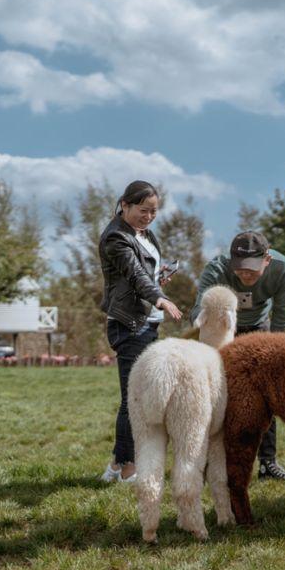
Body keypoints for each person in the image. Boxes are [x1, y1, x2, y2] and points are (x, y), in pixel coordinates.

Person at [192, 230, 285, 481]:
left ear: (267, 260)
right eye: (240, 268)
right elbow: (198, 307)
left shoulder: (282, 269)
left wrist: (275, 347)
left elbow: (282, 310)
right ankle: (210, 462)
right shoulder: (216, 270)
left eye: (252, 268)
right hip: (223, 330)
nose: (245, 274)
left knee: (266, 395)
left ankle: (267, 463)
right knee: (219, 394)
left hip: (260, 327)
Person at [99, 180, 183, 483]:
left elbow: (144, 272)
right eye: (143, 210)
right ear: (125, 204)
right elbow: (135, 276)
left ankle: (115, 467)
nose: (148, 217)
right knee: (133, 399)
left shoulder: (143, 234)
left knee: (136, 397)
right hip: (130, 324)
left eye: (153, 212)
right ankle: (128, 468)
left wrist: (159, 277)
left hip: (147, 323)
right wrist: (158, 296)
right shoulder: (115, 238)